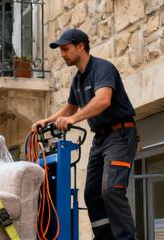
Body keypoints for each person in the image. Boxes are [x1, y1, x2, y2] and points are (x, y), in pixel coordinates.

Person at [33, 28, 138, 240]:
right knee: (91, 193)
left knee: (111, 190)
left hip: (120, 134)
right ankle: (105, 238)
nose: (62, 54)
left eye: (65, 49)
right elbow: (70, 108)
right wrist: (48, 120)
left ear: (81, 46)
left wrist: (73, 120)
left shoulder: (102, 68)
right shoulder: (78, 80)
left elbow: (103, 100)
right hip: (101, 138)